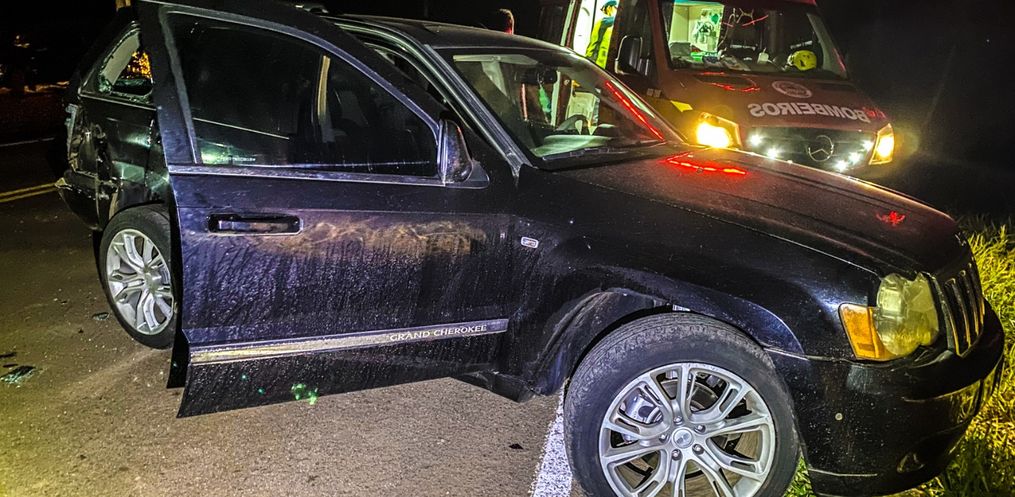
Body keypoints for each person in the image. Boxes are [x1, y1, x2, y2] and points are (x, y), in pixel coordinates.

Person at [585, 0, 617, 68]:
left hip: (595, 60)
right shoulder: (608, 22)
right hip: (601, 61)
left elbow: (594, 43)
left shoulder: (600, 22)